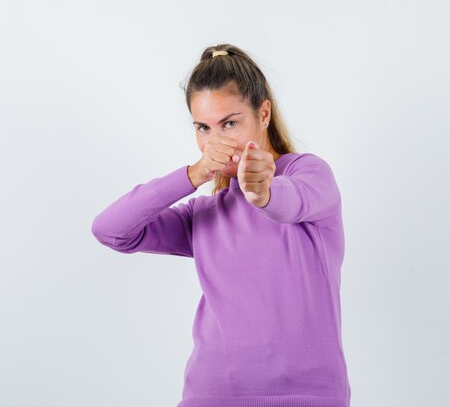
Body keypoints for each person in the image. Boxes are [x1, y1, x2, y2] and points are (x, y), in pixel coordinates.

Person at [91, 43, 351, 407]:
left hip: (307, 395)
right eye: (203, 128)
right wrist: (193, 174)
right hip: (212, 395)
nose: (217, 142)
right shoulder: (203, 214)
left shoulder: (308, 174)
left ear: (263, 114)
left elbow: (293, 201)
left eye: (229, 123)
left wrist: (263, 193)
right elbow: (111, 230)